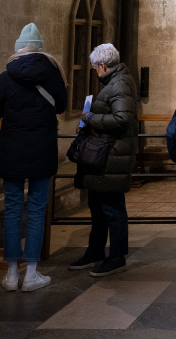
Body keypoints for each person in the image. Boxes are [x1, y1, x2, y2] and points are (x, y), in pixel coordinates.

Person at [0, 23, 68, 292]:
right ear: (41, 50)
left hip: (12, 149)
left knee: (12, 210)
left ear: (18, 49)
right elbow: (62, 106)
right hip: (42, 149)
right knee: (36, 211)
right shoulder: (53, 74)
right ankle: (31, 274)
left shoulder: (5, 77)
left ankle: (11, 275)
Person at [69, 43, 139, 277]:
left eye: (95, 68)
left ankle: (116, 257)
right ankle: (95, 252)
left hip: (112, 156)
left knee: (112, 208)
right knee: (98, 207)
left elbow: (122, 118)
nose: (95, 72)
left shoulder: (119, 83)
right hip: (104, 156)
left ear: (102, 65)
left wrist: (91, 118)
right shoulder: (115, 82)